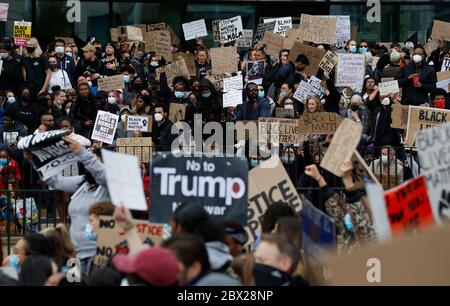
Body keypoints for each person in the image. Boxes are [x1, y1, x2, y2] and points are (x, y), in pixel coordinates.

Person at [43, 137, 110, 282]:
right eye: (87, 165)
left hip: (99, 257)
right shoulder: (82, 183)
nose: (89, 168)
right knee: (71, 284)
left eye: (93, 164)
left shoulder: (109, 187)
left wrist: (82, 152)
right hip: (75, 255)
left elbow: (101, 173)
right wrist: (35, 159)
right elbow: (52, 181)